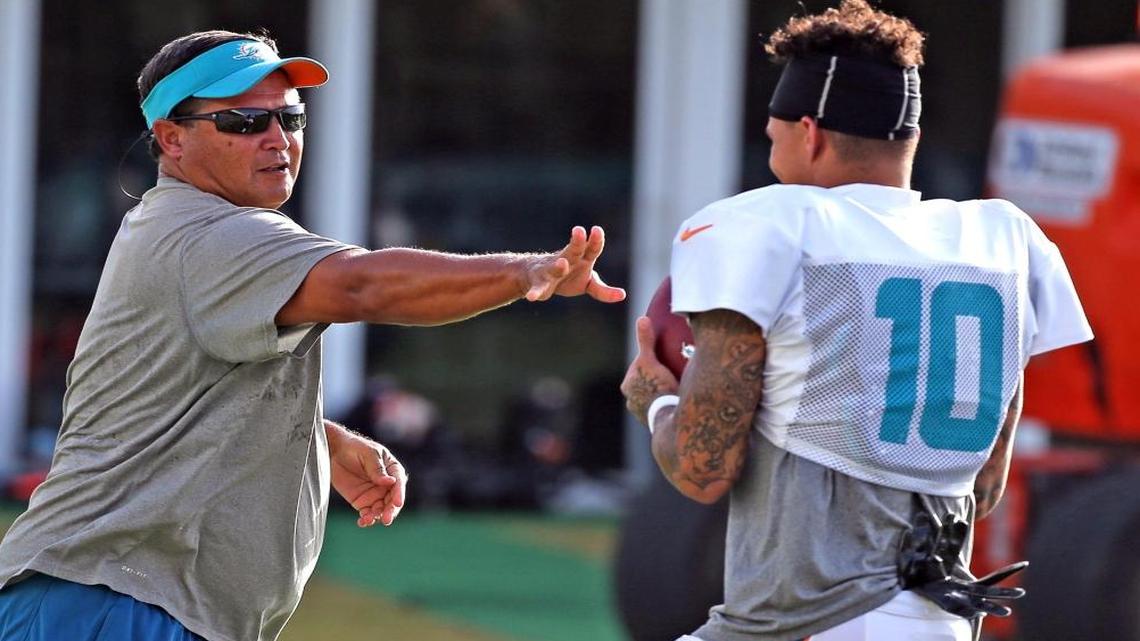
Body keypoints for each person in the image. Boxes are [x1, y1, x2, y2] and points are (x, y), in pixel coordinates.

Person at [0, 29, 624, 641]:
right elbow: (363, 287)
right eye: (244, 121)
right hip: (108, 603)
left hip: (114, 597)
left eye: (291, 118)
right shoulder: (210, 235)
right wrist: (522, 272)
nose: (277, 140)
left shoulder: (184, 231)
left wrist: (312, 439)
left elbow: (171, 392)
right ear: (171, 139)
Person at [620, 2, 1091, 640]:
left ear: (808, 131)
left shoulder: (774, 225)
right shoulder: (1003, 240)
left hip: (807, 619)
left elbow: (702, 470)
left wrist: (657, 403)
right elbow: (982, 490)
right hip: (939, 622)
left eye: (774, 136)